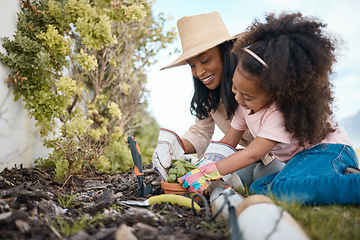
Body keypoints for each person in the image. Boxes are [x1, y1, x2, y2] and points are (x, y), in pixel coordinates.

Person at [179, 12, 360, 205]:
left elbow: (252, 153)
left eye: (247, 96)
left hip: (329, 152)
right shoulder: (244, 105)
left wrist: (211, 172)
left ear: (274, 94)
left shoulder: (278, 114)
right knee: (259, 188)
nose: (239, 99)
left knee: (282, 188)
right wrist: (204, 166)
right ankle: (338, 177)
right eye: (234, 88)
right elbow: (229, 141)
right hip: (302, 159)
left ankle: (353, 185)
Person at [152, 11, 284, 187]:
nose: (199, 72)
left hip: (279, 155)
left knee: (259, 178)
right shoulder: (209, 95)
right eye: (192, 65)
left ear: (226, 53)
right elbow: (204, 133)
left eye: (205, 60)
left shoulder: (254, 80)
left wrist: (209, 170)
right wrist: (172, 146)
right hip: (250, 157)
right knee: (232, 179)